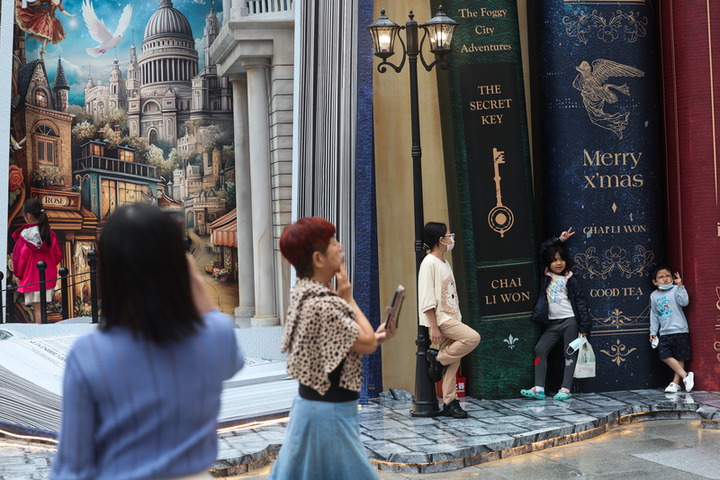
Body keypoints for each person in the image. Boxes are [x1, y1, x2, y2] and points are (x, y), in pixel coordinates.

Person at [51, 203, 243, 480]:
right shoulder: (216, 336)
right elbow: (232, 360)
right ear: (178, 264)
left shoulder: (87, 355)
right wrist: (191, 278)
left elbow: (73, 467)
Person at [268, 216, 396, 480]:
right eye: (333, 243)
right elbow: (368, 343)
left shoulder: (307, 294)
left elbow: (343, 344)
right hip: (328, 414)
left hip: (319, 409)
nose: (341, 248)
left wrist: (376, 335)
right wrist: (348, 298)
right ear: (318, 259)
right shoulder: (324, 304)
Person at [520, 227, 591, 401]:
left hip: (570, 322)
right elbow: (543, 249)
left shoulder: (572, 280)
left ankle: (565, 389)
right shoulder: (545, 276)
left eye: (561, 260)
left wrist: (584, 327)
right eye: (554, 260)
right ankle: (539, 388)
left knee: (569, 353)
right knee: (540, 350)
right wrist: (559, 240)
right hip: (552, 323)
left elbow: (581, 304)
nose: (558, 263)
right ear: (548, 263)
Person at [421, 222, 481, 419]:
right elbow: (427, 297)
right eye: (449, 234)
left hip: (452, 315)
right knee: (472, 338)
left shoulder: (444, 262)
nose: (451, 237)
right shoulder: (428, 262)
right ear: (440, 239)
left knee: (453, 360)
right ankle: (437, 359)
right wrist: (434, 327)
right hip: (442, 319)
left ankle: (449, 402)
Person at [12, 198, 62, 324]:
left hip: (32, 277)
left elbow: (19, 258)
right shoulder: (50, 233)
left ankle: (39, 333)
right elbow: (58, 255)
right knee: (42, 308)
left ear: (28, 215)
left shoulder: (24, 236)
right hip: (48, 277)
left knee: (37, 309)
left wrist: (18, 275)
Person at [649, 265, 694, 393]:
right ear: (655, 281)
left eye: (668, 276)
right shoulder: (654, 296)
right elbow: (654, 315)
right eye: (661, 277)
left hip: (680, 330)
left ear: (673, 277)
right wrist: (653, 332)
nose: (665, 279)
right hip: (664, 332)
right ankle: (686, 376)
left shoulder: (675, 289)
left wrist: (680, 286)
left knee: (680, 357)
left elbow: (684, 302)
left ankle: (675, 383)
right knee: (664, 355)